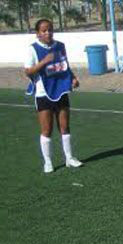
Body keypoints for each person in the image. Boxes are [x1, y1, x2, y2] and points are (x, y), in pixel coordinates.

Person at [24, 18, 83, 173]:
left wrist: (73, 78)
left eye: (50, 29)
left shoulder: (60, 46)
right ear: (38, 34)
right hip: (43, 93)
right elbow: (28, 71)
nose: (48, 32)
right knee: (47, 129)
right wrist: (43, 62)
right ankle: (48, 161)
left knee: (64, 126)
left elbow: (65, 65)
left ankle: (69, 158)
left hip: (61, 90)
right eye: (44, 30)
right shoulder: (33, 49)